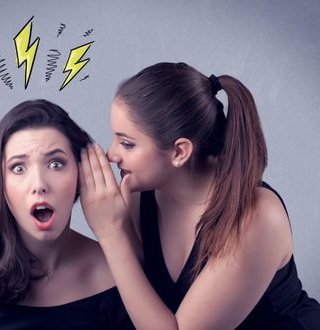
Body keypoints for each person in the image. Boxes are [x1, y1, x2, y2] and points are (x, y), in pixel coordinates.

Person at [79, 62, 320, 329]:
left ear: (180, 152)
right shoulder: (141, 193)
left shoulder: (257, 217)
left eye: (127, 143)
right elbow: (143, 294)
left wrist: (111, 234)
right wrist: (121, 227)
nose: (112, 155)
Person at [0, 99, 134, 329]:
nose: (39, 184)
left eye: (56, 164)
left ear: (82, 174)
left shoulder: (116, 275)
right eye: (18, 168)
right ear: (0, 184)